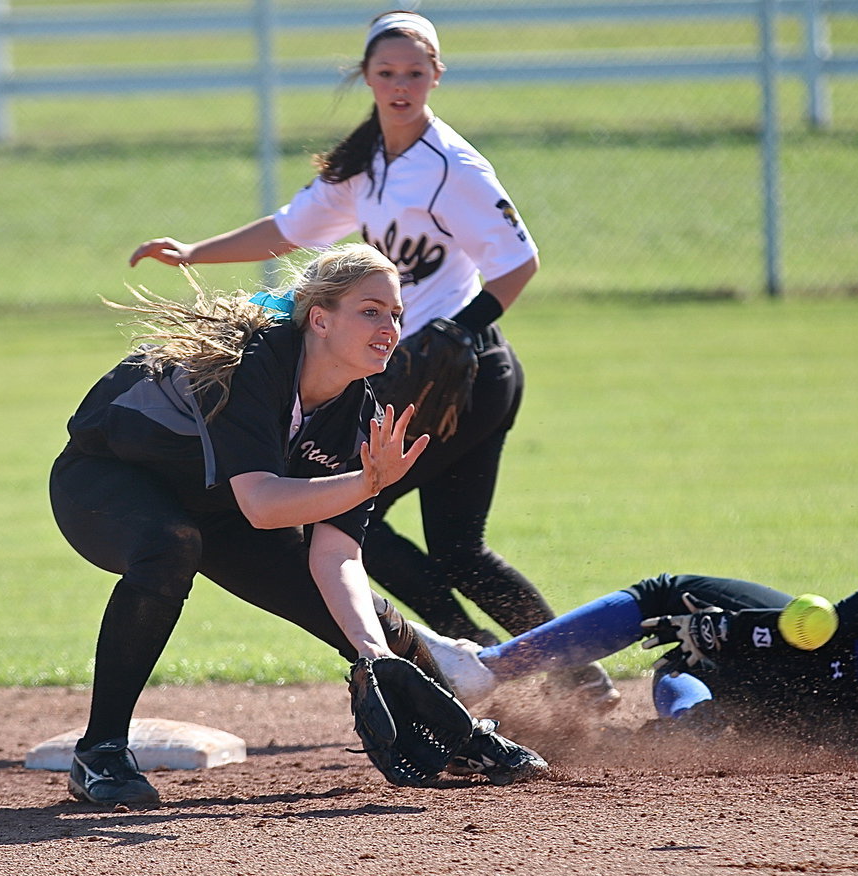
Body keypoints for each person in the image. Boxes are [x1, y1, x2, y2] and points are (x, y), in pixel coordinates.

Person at [127, 9, 619, 710]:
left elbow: (518, 262)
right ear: (367, 78)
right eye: (386, 73)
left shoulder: (453, 167)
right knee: (453, 548)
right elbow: (288, 230)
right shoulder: (366, 163)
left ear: (436, 76)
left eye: (414, 72)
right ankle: (555, 671)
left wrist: (461, 328)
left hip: (461, 374)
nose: (400, 85)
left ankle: (479, 661)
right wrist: (194, 252)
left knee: (362, 520)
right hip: (415, 374)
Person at [49, 243, 548, 807]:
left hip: (220, 507)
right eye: (370, 310)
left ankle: (453, 732)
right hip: (105, 481)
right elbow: (262, 504)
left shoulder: (360, 409)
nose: (391, 326)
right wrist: (368, 484)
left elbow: (336, 556)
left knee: (368, 619)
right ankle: (101, 753)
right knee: (170, 546)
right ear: (319, 319)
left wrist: (370, 652)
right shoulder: (256, 363)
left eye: (396, 314)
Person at [418, 422, 858, 752]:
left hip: (831, 685)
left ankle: (483, 670)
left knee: (671, 608)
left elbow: (836, 627)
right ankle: (702, 722)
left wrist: (728, 631)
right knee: (705, 652)